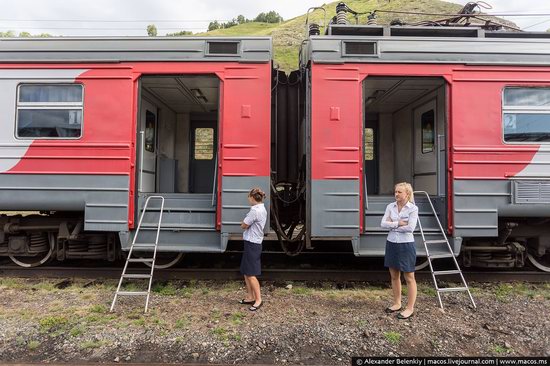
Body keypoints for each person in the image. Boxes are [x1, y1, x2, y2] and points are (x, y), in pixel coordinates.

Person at [380, 182, 418, 319]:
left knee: (409, 277)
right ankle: (397, 303)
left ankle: (410, 308)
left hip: (406, 245)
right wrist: (398, 223)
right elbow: (382, 224)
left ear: (407, 194)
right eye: (395, 192)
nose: (396, 194)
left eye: (399, 192)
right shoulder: (390, 206)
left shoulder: (413, 209)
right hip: (392, 243)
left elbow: (410, 228)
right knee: (394, 276)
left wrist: (391, 224)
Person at [239, 187, 267, 311]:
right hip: (252, 242)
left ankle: (258, 299)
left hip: (253, 243)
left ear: (252, 197)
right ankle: (250, 296)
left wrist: (243, 224)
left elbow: (244, 225)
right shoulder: (262, 208)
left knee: (251, 274)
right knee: (246, 272)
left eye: (248, 197)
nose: (248, 200)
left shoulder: (255, 211)